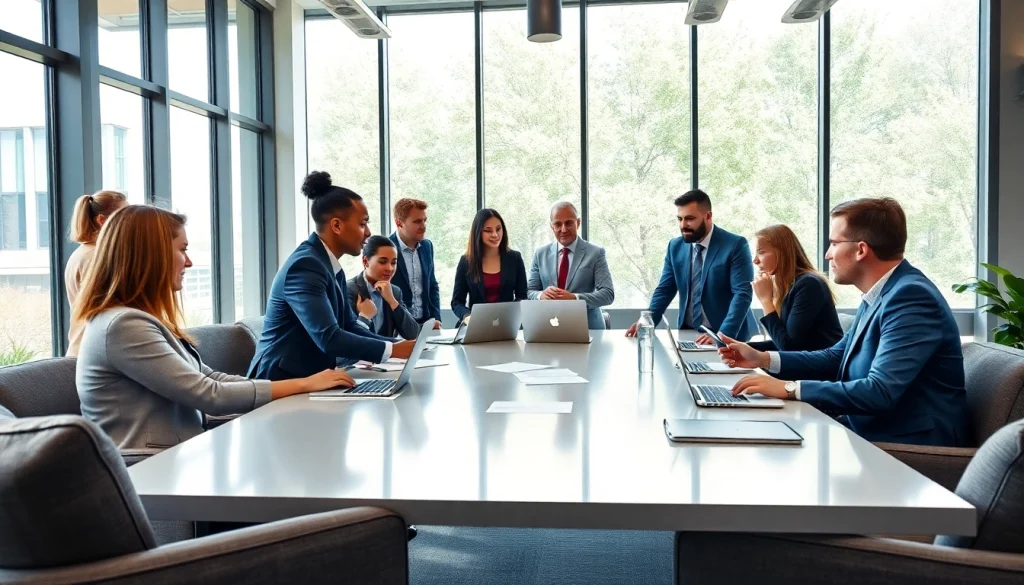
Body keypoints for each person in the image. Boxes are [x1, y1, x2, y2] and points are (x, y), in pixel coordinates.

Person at [73, 205, 353, 450]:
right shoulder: (123, 326)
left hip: (175, 458)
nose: (189, 261)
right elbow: (209, 395)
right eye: (182, 250)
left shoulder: (138, 320)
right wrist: (304, 384)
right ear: (151, 256)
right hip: (149, 473)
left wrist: (301, 386)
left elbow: (212, 378)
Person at [721, 198, 969, 447]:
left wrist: (788, 388)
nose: (827, 254)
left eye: (833, 243)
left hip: (907, 442)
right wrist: (762, 359)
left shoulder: (911, 297)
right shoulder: (881, 292)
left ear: (861, 250)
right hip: (866, 425)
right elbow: (835, 356)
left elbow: (879, 392)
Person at [248, 171, 415, 380]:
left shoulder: (329, 266)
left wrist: (394, 346)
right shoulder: (305, 266)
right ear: (336, 225)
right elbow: (329, 337)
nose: (368, 232)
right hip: (280, 381)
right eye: (362, 224)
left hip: (312, 378)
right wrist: (393, 351)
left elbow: (348, 325)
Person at [627, 190, 754, 343]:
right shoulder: (675, 246)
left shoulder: (735, 245)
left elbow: (742, 294)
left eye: (690, 219)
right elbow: (665, 289)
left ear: (708, 216)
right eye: (679, 219)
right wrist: (647, 321)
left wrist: (722, 335)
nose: (683, 225)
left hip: (726, 337)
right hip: (687, 334)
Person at [748, 224, 843, 351]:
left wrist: (766, 301)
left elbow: (788, 347)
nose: (755, 260)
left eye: (761, 252)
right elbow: (781, 341)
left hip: (820, 368)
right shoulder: (789, 285)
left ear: (782, 252)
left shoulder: (809, 284)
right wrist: (738, 347)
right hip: (803, 364)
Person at [527, 201, 615, 329]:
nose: (563, 229)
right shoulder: (540, 254)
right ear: (552, 226)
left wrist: (575, 298)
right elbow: (530, 291)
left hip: (588, 328)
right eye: (558, 224)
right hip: (549, 327)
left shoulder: (595, 253)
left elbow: (607, 294)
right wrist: (541, 296)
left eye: (568, 223)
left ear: (578, 223)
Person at [65, 190, 127, 356]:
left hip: (86, 350)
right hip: (92, 353)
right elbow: (109, 311)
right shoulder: (95, 258)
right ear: (102, 220)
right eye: (123, 217)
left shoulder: (84, 253)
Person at [451, 208, 527, 324]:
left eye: (498, 229)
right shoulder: (466, 261)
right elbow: (457, 302)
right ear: (478, 232)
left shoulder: (515, 258)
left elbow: (522, 296)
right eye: (488, 230)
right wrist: (467, 316)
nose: (495, 235)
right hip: (476, 324)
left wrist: (512, 315)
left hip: (507, 323)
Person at [346, 235, 420, 340]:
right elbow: (347, 341)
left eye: (393, 263)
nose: (390, 268)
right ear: (365, 261)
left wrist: (392, 301)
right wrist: (364, 318)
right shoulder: (349, 290)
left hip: (389, 356)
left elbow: (412, 333)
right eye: (382, 261)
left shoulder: (394, 292)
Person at [390, 198, 442, 330]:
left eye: (424, 220)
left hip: (426, 323)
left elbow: (432, 285)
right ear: (399, 223)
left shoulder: (427, 246)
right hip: (397, 327)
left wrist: (436, 318)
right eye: (417, 221)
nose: (423, 226)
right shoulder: (385, 248)